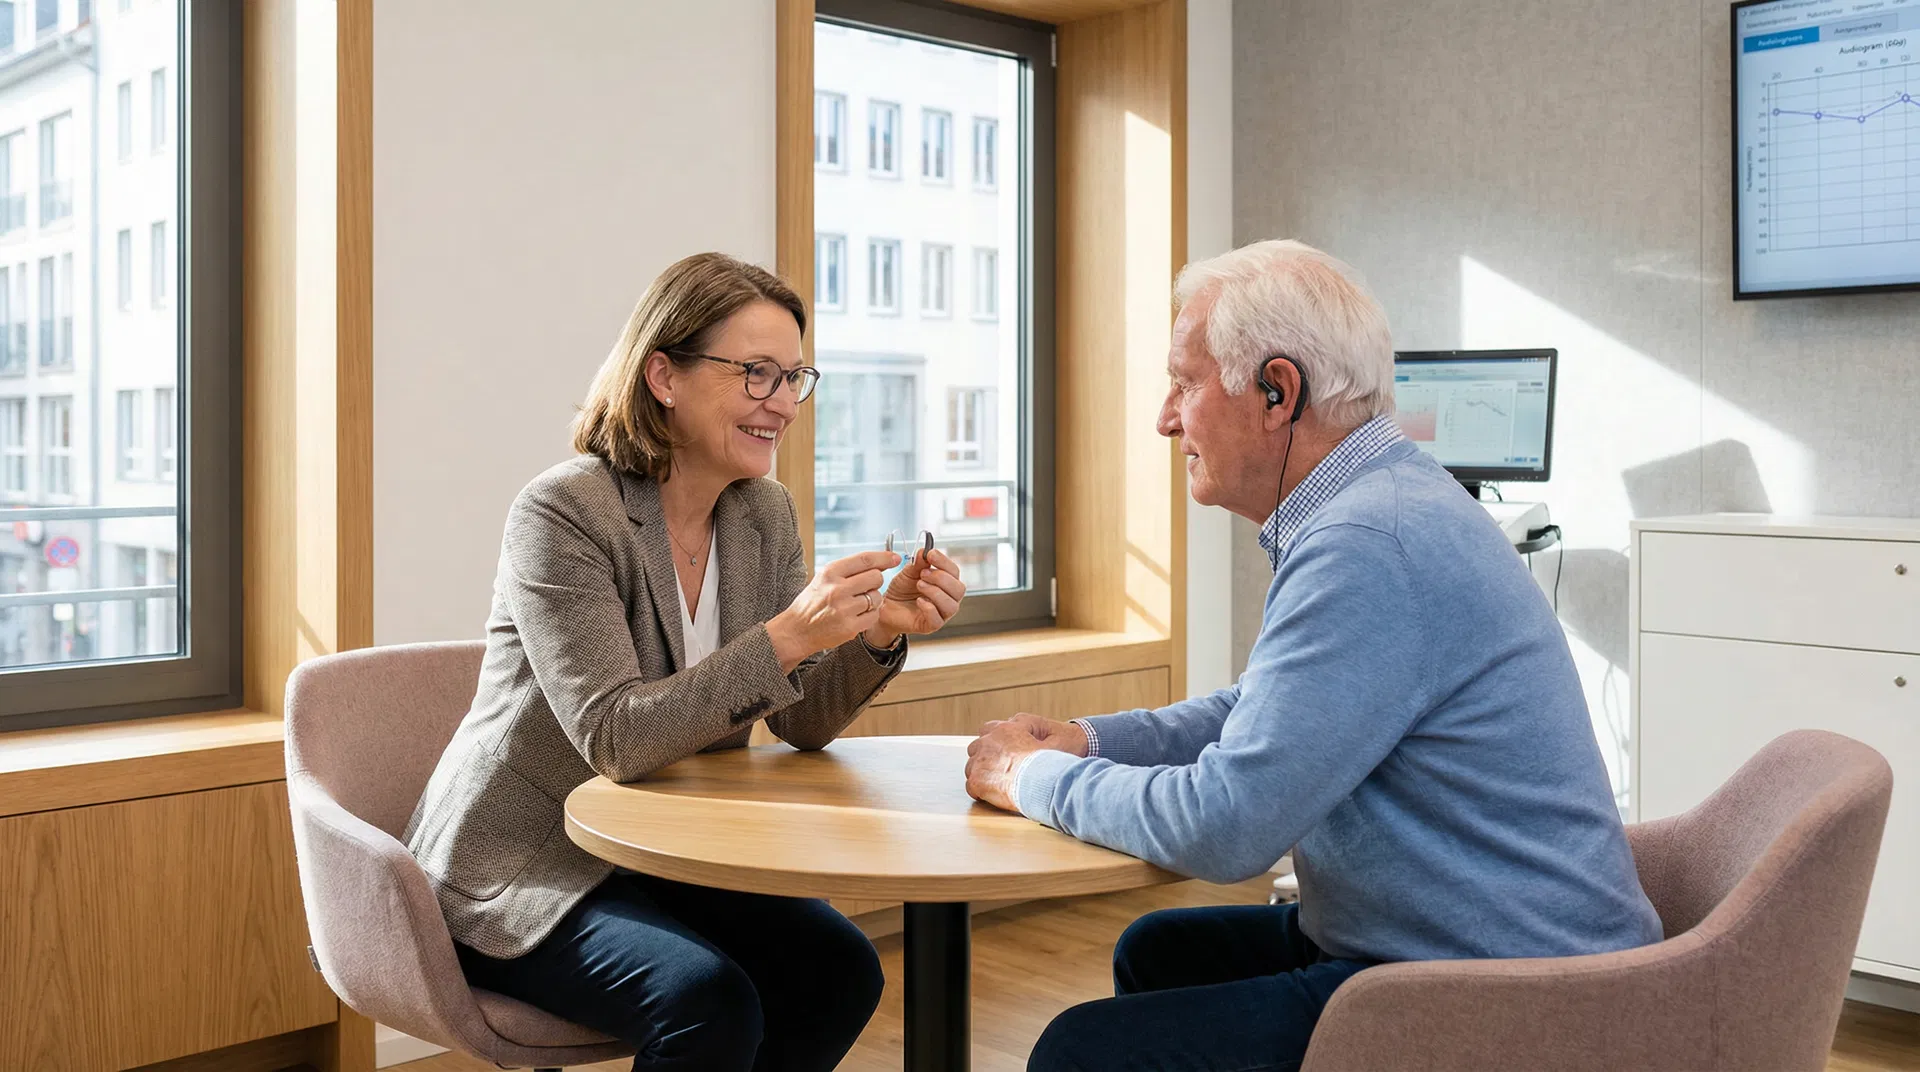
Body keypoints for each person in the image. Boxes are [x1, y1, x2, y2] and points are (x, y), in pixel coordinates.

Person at [963, 240, 1660, 1071]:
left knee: (1083, 1051)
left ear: (1276, 391)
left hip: (1506, 993)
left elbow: (1226, 829)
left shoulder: (1368, 542)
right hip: (1462, 942)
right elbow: (1268, 707)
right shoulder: (1384, 501)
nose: (1165, 417)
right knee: (1157, 952)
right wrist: (1091, 741)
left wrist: (1027, 779)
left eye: (1185, 383)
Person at [406, 252, 968, 1071]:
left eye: (793, 378)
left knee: (839, 970)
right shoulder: (564, 512)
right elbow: (616, 738)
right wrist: (786, 636)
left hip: (661, 851)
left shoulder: (762, 512)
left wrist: (876, 632)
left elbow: (802, 722)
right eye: (755, 374)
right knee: (705, 1002)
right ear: (663, 375)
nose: (781, 403)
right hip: (525, 865)